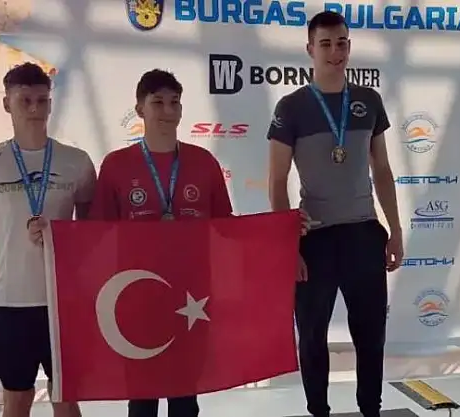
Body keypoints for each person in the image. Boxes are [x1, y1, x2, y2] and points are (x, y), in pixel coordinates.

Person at [87, 69, 313, 417]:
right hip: (137, 296)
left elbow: (227, 228)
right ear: (140, 109)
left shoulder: (203, 163)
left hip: (191, 298)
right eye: (158, 102)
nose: (167, 111)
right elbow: (95, 234)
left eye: (174, 102)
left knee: (185, 399)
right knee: (142, 400)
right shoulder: (117, 165)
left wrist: (281, 228)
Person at [267, 11, 404, 417]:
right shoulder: (291, 107)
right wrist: (288, 245)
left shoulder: (368, 101)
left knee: (371, 336)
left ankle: (371, 408)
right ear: (310, 49)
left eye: (341, 42)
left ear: (349, 47)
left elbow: (382, 169)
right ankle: (318, 411)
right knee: (312, 337)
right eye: (325, 44)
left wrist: (395, 229)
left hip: (364, 234)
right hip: (316, 239)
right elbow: (276, 180)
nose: (334, 51)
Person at [0, 62, 96, 417]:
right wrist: (16, 278)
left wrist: (59, 248)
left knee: (66, 397)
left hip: (64, 304)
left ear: (50, 103)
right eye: (25, 100)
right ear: (7, 104)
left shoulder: (77, 162)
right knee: (17, 399)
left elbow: (90, 235)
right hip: (12, 305)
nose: (35, 108)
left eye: (42, 100)